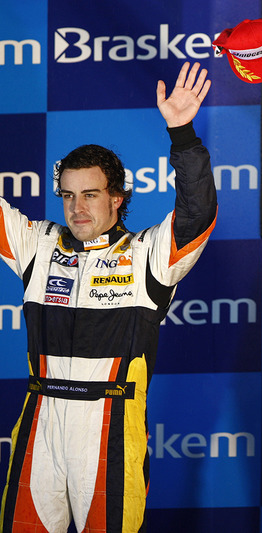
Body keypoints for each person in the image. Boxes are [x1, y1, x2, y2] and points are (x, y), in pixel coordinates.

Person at [0, 62, 216, 532]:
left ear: (117, 197)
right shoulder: (38, 244)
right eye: (68, 195)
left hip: (111, 424)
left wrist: (182, 133)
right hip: (41, 420)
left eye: (91, 195)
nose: (77, 208)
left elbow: (197, 212)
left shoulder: (146, 255)